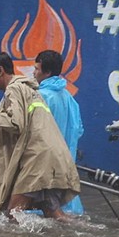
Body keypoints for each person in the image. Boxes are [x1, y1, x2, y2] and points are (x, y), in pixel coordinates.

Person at [0, 52, 80, 219]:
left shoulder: (14, 89)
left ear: (0, 70)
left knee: (13, 214)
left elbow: (16, 124)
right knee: (54, 215)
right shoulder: (30, 89)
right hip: (53, 157)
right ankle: (88, 231)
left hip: (38, 159)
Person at [34, 49, 85, 215]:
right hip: (66, 164)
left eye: (36, 69)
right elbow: (79, 130)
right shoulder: (69, 97)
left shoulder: (39, 97)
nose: (33, 73)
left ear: (47, 72)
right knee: (64, 211)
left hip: (45, 165)